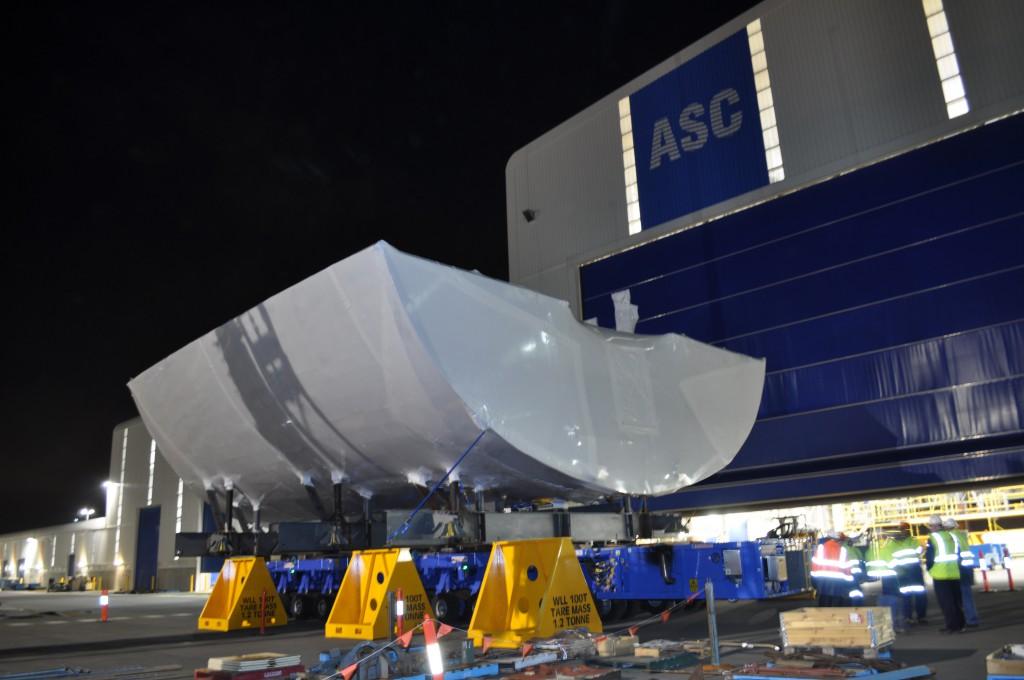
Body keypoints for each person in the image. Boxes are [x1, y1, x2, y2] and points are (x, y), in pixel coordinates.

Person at [926, 515, 965, 633]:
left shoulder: (933, 538)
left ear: (935, 526)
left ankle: (951, 626)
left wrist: (930, 569)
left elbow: (930, 557)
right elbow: (958, 552)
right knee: (955, 601)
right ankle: (961, 624)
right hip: (954, 572)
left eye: (931, 526)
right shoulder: (951, 535)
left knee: (946, 602)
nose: (930, 528)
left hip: (940, 574)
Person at [944, 517, 979, 627]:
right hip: (967, 568)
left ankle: (966, 620)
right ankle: (972, 619)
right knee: (967, 596)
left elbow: (953, 555)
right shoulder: (961, 535)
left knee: (959, 597)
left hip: (959, 569)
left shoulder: (951, 537)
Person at [866, 529, 902, 630]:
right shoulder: (888, 547)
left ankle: (883, 622)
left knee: (882, 600)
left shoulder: (872, 547)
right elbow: (892, 563)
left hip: (875, 576)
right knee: (893, 600)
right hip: (889, 574)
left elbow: (868, 559)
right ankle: (895, 623)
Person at [891, 522, 927, 625]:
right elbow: (920, 550)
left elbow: (890, 558)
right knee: (919, 594)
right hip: (914, 570)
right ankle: (920, 617)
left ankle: (908, 617)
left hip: (903, 572)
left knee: (907, 595)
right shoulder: (913, 541)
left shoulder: (893, 543)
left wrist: (896, 568)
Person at [812, 531, 854, 606]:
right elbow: (848, 570)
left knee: (824, 604)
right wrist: (849, 585)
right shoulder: (843, 550)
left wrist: (814, 582)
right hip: (838, 583)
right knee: (836, 605)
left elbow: (815, 566)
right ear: (839, 540)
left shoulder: (821, 548)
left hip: (822, 582)